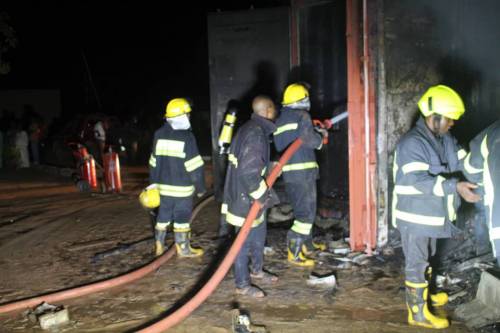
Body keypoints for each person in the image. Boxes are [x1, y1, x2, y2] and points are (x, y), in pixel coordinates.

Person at [392, 84, 480, 329]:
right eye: (449, 119)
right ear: (435, 117)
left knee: (427, 259)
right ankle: (417, 314)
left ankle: (425, 297)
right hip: (415, 216)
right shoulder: (412, 143)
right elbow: (415, 180)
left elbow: (463, 160)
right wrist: (456, 187)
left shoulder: (445, 139)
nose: (452, 124)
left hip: (432, 215)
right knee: (417, 263)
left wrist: (482, 170)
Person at [221, 95, 280, 298]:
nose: (276, 113)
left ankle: (257, 271)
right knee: (242, 244)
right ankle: (242, 284)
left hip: (248, 197)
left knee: (258, 236)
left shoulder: (252, 128)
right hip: (245, 199)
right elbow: (248, 173)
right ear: (266, 111)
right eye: (273, 109)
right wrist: (262, 196)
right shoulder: (255, 133)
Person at [273, 83, 328, 267]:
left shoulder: (280, 120)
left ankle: (307, 245)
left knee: (302, 211)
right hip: (304, 173)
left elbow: (296, 138)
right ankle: (294, 252)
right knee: (306, 213)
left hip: (290, 174)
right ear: (303, 99)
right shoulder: (303, 116)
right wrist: (320, 138)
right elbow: (308, 139)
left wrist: (314, 131)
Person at [148, 98, 206, 257]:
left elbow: (153, 163)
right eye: (187, 115)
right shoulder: (187, 137)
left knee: (163, 216)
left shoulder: (158, 134)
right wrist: (201, 188)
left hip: (163, 188)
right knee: (181, 217)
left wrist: (152, 185)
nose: (189, 117)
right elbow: (195, 167)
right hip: (182, 189)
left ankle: (159, 245)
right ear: (182, 116)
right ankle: (183, 249)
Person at [463, 119, 500, 267]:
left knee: (483, 210)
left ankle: (483, 249)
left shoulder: (493, 132)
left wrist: (483, 183)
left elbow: (470, 169)